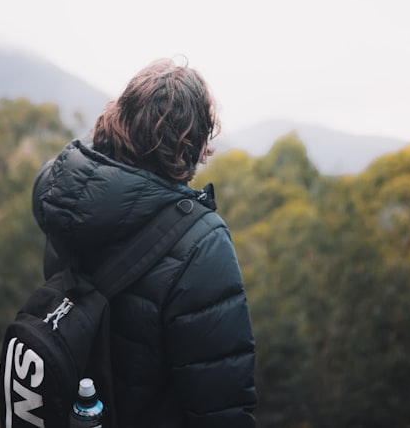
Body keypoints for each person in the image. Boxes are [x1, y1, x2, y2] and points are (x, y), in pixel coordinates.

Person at [31, 58, 258, 427]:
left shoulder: (58, 192)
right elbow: (221, 407)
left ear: (118, 118)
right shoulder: (202, 242)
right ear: (195, 143)